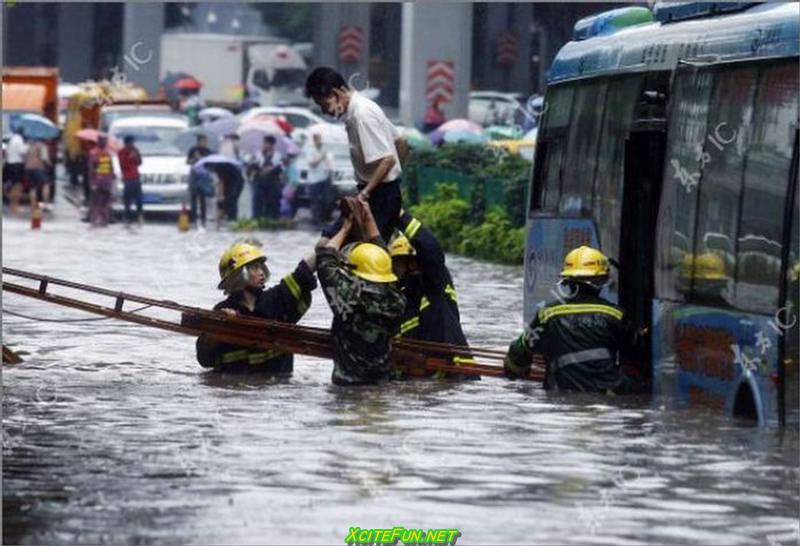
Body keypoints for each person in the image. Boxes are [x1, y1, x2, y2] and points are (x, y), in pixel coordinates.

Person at [503, 246, 633, 393]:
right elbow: (634, 355)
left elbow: (519, 352)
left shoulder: (546, 315)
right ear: (602, 280)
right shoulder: (616, 315)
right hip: (609, 394)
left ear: (566, 281)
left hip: (561, 393)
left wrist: (513, 371)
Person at [305, 67, 408, 244]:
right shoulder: (358, 110)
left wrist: (370, 192)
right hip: (376, 193)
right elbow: (400, 142)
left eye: (324, 104)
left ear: (335, 93)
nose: (325, 111)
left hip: (378, 197)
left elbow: (388, 159)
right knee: (328, 242)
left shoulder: (361, 114)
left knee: (365, 255)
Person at [316, 198, 406, 385]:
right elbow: (381, 261)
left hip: (348, 387)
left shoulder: (347, 299)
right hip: (383, 383)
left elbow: (325, 258)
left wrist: (345, 228)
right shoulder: (397, 300)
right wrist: (369, 217)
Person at [196, 240, 317, 375]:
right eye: (254, 268)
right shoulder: (221, 311)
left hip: (275, 391)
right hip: (238, 392)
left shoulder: (275, 300)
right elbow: (205, 359)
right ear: (239, 275)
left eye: (261, 267)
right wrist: (220, 329)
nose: (261, 273)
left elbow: (302, 274)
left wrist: (331, 240)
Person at [389, 210, 477, 380]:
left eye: (397, 265)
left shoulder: (434, 285)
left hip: (455, 375)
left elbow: (430, 248)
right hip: (422, 380)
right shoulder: (401, 301)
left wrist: (399, 215)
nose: (393, 271)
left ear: (413, 264)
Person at [305, 132, 335, 225]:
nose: (320, 141)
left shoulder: (324, 149)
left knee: (326, 199)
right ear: (314, 140)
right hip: (314, 179)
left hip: (324, 177)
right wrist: (321, 157)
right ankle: (316, 219)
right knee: (315, 200)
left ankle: (323, 218)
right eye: (318, 139)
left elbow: (329, 163)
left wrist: (327, 160)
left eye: (321, 139)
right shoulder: (310, 150)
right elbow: (311, 164)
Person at [252, 135, 283, 220]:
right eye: (264, 143)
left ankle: (272, 219)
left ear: (271, 144)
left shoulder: (278, 155)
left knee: (272, 203)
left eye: (266, 143)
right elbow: (253, 166)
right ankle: (257, 219)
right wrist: (260, 169)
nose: (264, 145)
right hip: (260, 181)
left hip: (273, 183)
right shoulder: (257, 154)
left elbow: (280, 168)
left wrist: (271, 169)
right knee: (258, 203)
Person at [87, 135, 115, 227]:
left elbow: (111, 167)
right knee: (96, 202)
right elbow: (91, 169)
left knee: (106, 202)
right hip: (98, 181)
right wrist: (92, 182)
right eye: (103, 141)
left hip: (106, 181)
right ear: (99, 142)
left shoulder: (108, 153)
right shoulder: (94, 153)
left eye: (105, 141)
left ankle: (104, 221)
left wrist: (112, 177)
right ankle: (95, 220)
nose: (105, 143)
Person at [186, 135, 212, 229]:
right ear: (198, 141)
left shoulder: (208, 151)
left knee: (203, 200)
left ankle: (203, 220)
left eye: (205, 141)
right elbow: (188, 162)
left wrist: (201, 158)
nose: (205, 143)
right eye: (203, 141)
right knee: (193, 199)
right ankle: (193, 220)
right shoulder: (193, 150)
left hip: (204, 177)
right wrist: (194, 159)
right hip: (194, 176)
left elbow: (210, 164)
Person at [117, 135, 143, 226]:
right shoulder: (121, 152)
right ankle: (127, 218)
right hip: (127, 179)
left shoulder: (135, 150)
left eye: (133, 142)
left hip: (136, 178)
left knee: (139, 199)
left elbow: (140, 163)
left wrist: (136, 156)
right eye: (130, 143)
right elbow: (123, 165)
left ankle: (139, 216)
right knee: (127, 200)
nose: (132, 144)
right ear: (126, 143)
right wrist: (130, 157)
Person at [24, 138, 52, 212]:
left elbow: (24, 155)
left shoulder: (28, 145)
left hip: (28, 168)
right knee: (46, 185)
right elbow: (44, 158)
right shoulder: (42, 145)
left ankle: (33, 206)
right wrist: (50, 163)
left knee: (32, 188)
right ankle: (45, 206)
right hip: (39, 168)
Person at [4, 127, 28, 214]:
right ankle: (15, 206)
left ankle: (12, 205)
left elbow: (7, 152)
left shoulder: (12, 139)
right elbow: (22, 151)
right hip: (17, 165)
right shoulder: (19, 139)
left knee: (13, 185)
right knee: (17, 186)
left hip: (9, 164)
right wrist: (27, 147)